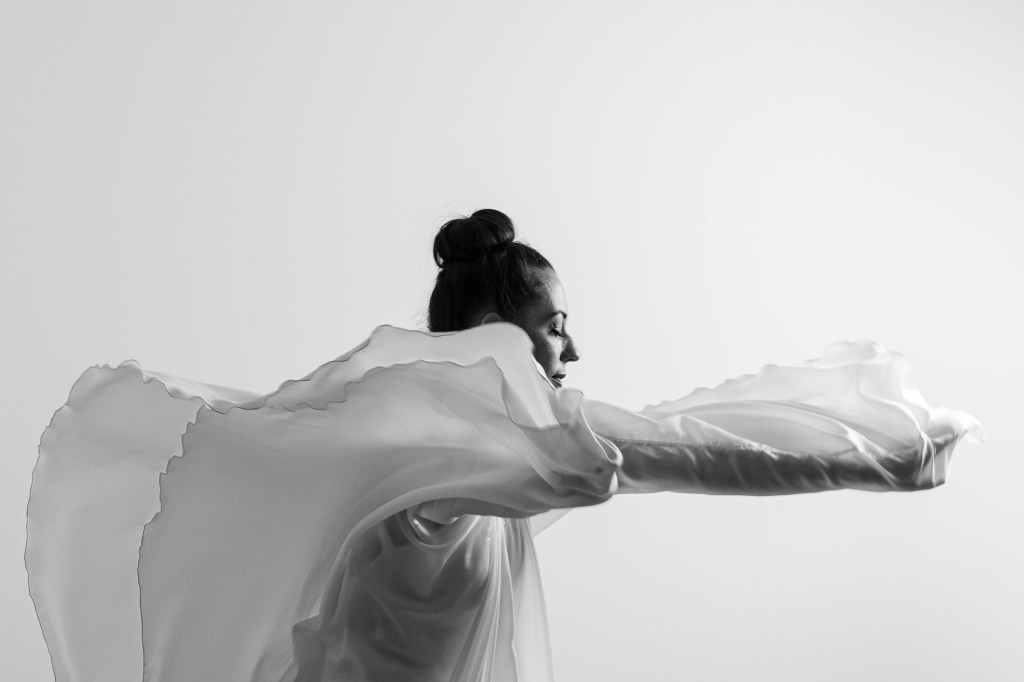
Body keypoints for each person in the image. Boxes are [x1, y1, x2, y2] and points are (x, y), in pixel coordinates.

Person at [26, 209, 981, 682]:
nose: (573, 348)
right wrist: (880, 458)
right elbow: (684, 454)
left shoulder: (492, 458)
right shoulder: (451, 447)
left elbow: (683, 443)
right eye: (555, 323)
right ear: (492, 326)